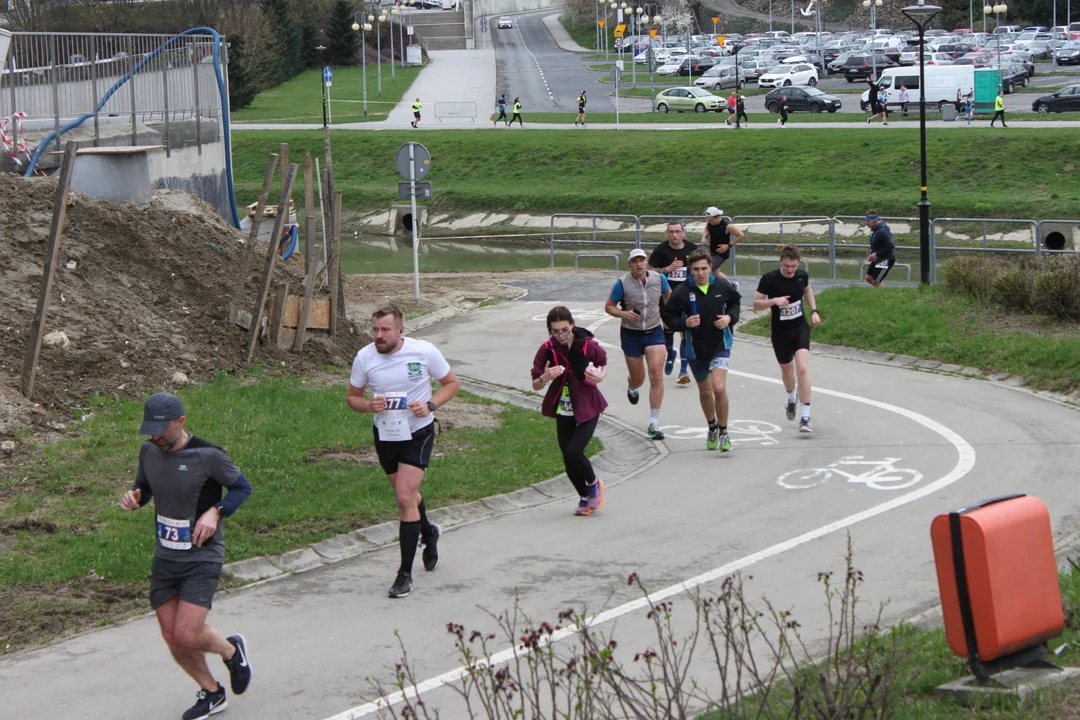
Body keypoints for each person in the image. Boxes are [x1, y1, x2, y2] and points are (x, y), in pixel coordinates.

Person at [121, 392, 254, 720]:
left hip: (202, 556)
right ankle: (212, 692)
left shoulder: (208, 455)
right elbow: (146, 486)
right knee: (172, 636)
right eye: (150, 430)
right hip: (166, 556)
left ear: (180, 421)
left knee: (187, 633)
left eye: (162, 430)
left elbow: (242, 488)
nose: (156, 437)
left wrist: (216, 512)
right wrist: (136, 498)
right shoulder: (149, 450)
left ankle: (231, 650)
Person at [347, 304, 461, 599]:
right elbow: (352, 397)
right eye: (375, 330)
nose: (378, 336)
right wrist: (368, 406)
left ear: (401, 330)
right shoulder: (365, 357)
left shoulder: (423, 351)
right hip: (386, 434)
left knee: (403, 497)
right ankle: (429, 531)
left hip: (418, 432)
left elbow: (452, 383)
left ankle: (404, 575)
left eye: (385, 330)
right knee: (406, 494)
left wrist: (430, 405)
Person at [661, 248, 742, 453]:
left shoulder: (722, 286)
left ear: (710, 268)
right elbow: (668, 317)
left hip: (720, 345)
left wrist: (729, 318)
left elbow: (735, 301)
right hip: (696, 349)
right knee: (705, 391)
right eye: (696, 269)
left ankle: (724, 432)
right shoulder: (682, 291)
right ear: (691, 270)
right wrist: (685, 323)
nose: (700, 273)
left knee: (719, 388)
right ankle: (712, 426)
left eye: (704, 268)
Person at [531, 306, 609, 516]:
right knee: (567, 456)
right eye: (555, 331)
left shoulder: (587, 345)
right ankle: (584, 496)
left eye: (564, 330)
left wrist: (600, 376)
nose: (561, 335)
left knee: (575, 451)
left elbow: (603, 362)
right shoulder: (547, 349)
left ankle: (593, 484)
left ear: (572, 325)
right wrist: (545, 378)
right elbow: (535, 384)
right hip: (563, 408)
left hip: (588, 406)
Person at [753, 244, 822, 433]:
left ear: (798, 263)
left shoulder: (802, 276)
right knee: (788, 372)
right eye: (786, 266)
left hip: (799, 327)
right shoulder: (770, 279)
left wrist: (814, 311)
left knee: (802, 368)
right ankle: (792, 398)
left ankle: (805, 417)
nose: (790, 270)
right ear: (781, 263)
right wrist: (774, 301)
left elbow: (807, 290)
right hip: (780, 332)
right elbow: (756, 304)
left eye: (793, 266)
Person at [605, 247, 671, 440]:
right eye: (635, 261)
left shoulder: (659, 279)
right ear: (630, 264)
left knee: (656, 374)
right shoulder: (622, 284)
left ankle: (654, 422)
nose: (639, 264)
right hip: (631, 334)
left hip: (654, 332)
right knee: (639, 378)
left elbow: (669, 296)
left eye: (642, 260)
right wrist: (624, 314)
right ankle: (632, 386)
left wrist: (668, 315)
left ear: (646, 262)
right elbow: (609, 306)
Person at [649, 220, 698, 384]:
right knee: (668, 329)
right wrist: (667, 269)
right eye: (671, 232)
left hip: (687, 295)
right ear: (667, 233)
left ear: (683, 233)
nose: (674, 235)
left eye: (677, 231)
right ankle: (670, 354)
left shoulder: (692, 249)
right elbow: (650, 271)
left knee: (685, 330)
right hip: (667, 297)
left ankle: (683, 371)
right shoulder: (661, 250)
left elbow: (703, 266)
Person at [701, 206, 745, 277]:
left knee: (707, 270)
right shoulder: (710, 222)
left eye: (711, 220)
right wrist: (704, 237)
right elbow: (707, 229)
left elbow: (741, 235)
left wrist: (728, 246)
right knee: (716, 274)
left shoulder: (727, 226)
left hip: (721, 253)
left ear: (717, 217)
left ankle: (711, 287)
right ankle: (731, 285)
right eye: (707, 219)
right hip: (712, 250)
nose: (708, 221)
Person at [864, 210, 896, 287]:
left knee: (876, 281)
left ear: (875, 221)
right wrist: (872, 254)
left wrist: (877, 254)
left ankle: (886, 296)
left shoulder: (883, 230)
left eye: (868, 221)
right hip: (878, 258)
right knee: (869, 278)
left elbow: (891, 245)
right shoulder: (873, 229)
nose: (866, 222)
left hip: (885, 259)